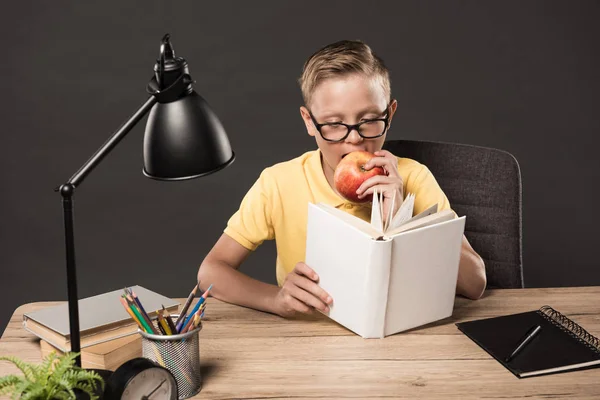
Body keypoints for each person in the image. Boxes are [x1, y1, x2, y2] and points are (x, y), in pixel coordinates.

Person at [197, 40, 486, 318]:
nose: (355, 139)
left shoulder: (412, 178)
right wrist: (275, 299)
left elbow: (475, 283)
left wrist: (404, 220)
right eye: (335, 124)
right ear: (310, 121)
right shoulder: (279, 183)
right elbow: (211, 272)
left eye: (370, 120)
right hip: (305, 345)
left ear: (390, 114)